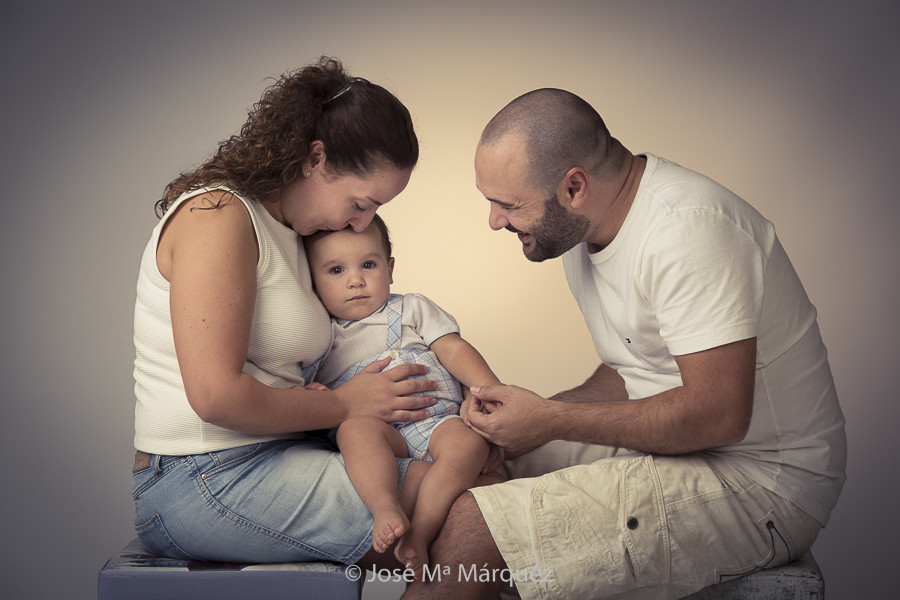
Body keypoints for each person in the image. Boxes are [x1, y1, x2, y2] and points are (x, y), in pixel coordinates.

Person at [403, 89, 847, 599]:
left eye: (508, 204)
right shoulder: (583, 227)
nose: (495, 221)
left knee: (474, 524)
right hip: (683, 452)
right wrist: (529, 421)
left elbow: (718, 414)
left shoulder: (688, 231)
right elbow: (632, 366)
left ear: (574, 186)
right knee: (469, 469)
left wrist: (549, 420)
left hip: (764, 483)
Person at [131, 57, 440, 567]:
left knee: (473, 478)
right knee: (469, 509)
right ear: (315, 158)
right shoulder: (219, 217)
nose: (363, 222)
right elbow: (215, 396)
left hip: (274, 456)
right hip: (203, 478)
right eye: (362, 202)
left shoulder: (297, 237)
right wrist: (344, 405)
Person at [304, 214, 501, 575]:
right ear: (311, 282)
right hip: (382, 433)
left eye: (368, 264)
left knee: (470, 446)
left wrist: (491, 394)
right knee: (354, 432)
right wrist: (314, 393)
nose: (355, 280)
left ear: (389, 268)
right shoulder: (318, 337)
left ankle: (422, 531)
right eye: (335, 271)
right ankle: (385, 507)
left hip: (436, 421)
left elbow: (454, 350)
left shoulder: (410, 308)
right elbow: (308, 396)